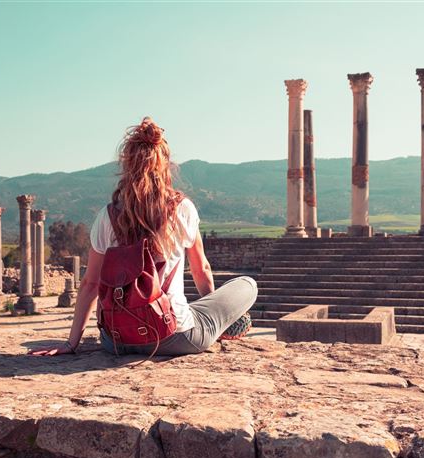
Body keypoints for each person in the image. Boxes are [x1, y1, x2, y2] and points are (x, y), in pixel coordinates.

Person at [30, 117, 258, 357]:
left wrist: (71, 343)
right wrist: (216, 316)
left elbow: (90, 283)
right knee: (248, 285)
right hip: (175, 336)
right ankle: (220, 326)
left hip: (116, 340)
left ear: (126, 166)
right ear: (166, 165)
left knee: (199, 308)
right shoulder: (182, 209)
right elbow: (201, 269)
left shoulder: (107, 216)